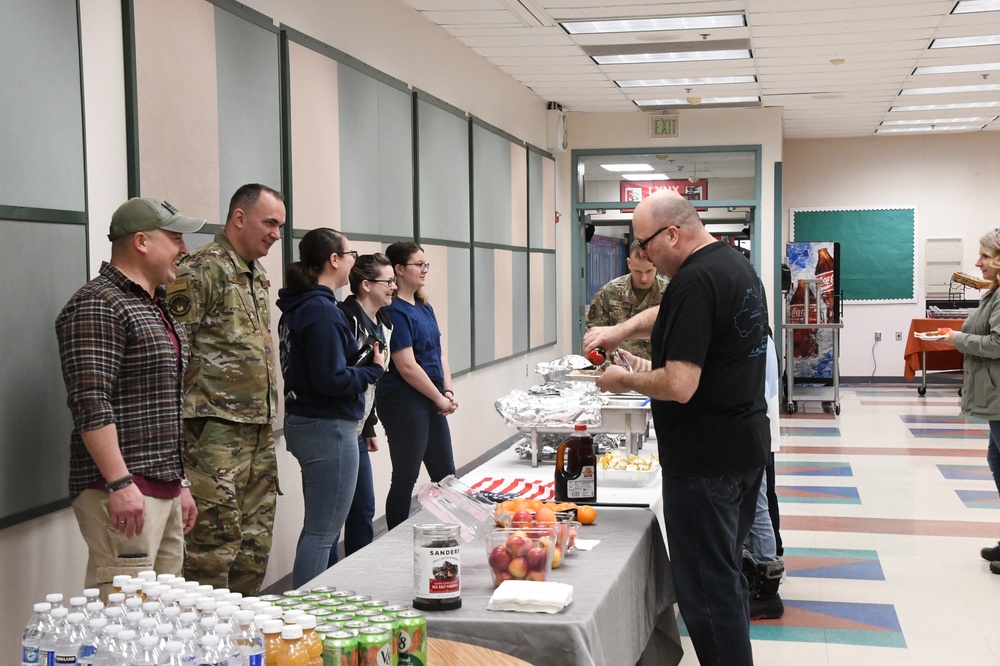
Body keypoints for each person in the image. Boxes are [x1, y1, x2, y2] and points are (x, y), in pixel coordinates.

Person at [591, 190, 769, 666]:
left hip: (706, 461)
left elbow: (680, 384)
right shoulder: (731, 266)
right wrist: (621, 332)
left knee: (707, 591)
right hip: (744, 446)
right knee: (725, 578)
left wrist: (623, 380)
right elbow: (668, 318)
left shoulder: (692, 282)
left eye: (646, 243)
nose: (643, 254)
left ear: (672, 233)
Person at [56, 197, 205, 596]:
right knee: (125, 615)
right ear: (141, 241)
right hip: (124, 489)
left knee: (164, 614)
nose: (184, 249)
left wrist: (181, 484)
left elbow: (164, 400)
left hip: (163, 486)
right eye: (175, 238)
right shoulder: (98, 304)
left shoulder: (153, 305)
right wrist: (120, 483)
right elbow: (91, 401)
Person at [167, 183, 285, 594]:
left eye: (280, 226)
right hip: (212, 431)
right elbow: (175, 352)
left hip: (257, 430)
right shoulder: (203, 268)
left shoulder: (256, 274)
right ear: (239, 218)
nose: (276, 234)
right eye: (269, 222)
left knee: (254, 545)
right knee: (212, 549)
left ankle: (244, 640)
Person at [276, 229, 385, 586]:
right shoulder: (322, 311)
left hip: (308, 422)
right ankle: (309, 615)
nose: (354, 260)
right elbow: (331, 380)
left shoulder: (302, 305)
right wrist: (373, 369)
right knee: (323, 533)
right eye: (350, 253)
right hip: (327, 426)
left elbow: (320, 370)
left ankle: (312, 607)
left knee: (320, 528)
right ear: (334, 260)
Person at [376, 242, 458, 530]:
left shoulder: (424, 306)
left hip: (433, 396)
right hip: (404, 400)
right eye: (418, 264)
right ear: (398, 269)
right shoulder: (394, 311)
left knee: (446, 474)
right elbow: (407, 366)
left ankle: (452, 531)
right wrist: (438, 397)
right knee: (406, 475)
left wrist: (446, 391)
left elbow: (439, 352)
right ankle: (393, 538)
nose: (424, 270)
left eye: (426, 265)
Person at [941, 228, 1000, 572]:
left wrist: (958, 339)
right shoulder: (993, 293)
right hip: (993, 396)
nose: (977, 262)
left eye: (985, 256)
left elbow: (996, 343)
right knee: (996, 460)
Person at [332, 253, 395, 562]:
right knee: (332, 516)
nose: (393, 287)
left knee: (363, 508)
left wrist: (369, 423)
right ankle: (326, 581)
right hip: (337, 425)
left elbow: (373, 382)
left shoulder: (385, 323)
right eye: (388, 281)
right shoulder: (345, 318)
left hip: (358, 426)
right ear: (366, 285)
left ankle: (359, 573)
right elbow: (343, 375)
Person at [586, 239, 668, 359]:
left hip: (655, 370)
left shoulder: (669, 293)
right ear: (629, 264)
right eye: (638, 271)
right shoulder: (610, 292)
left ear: (656, 265)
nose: (644, 278)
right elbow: (593, 332)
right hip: (618, 368)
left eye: (649, 271)